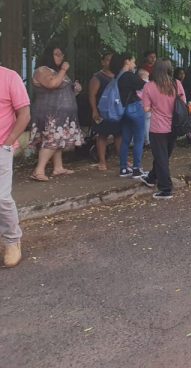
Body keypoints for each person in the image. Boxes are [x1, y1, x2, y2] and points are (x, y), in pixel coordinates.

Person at [28, 46, 84, 181]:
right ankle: (38, 170)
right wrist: (64, 69)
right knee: (51, 141)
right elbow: (52, 84)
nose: (61, 57)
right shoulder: (42, 70)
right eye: (57, 54)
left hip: (62, 114)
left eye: (62, 54)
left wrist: (75, 88)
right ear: (48, 55)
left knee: (57, 141)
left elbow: (62, 89)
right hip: (50, 114)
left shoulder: (57, 71)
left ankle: (58, 167)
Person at [138, 59, 185, 199]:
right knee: (163, 156)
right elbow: (182, 102)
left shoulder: (149, 87)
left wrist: (155, 107)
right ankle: (151, 178)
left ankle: (165, 189)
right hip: (175, 126)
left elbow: (146, 108)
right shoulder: (177, 84)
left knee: (161, 157)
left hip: (157, 127)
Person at [1, 65, 31, 268]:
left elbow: (24, 115)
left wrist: (9, 142)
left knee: (1, 197)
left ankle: (12, 240)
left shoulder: (9, 77)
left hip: (1, 146)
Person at [111, 53, 148, 178]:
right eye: (133, 61)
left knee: (125, 140)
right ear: (127, 61)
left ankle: (123, 168)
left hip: (122, 110)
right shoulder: (129, 76)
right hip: (135, 108)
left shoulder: (117, 76)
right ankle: (137, 168)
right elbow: (144, 86)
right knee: (139, 139)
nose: (134, 64)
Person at [88, 51, 123, 172]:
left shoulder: (118, 75)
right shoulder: (98, 77)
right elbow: (92, 95)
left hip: (117, 111)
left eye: (112, 60)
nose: (110, 62)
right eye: (107, 59)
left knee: (119, 135)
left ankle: (122, 159)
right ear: (102, 62)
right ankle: (102, 161)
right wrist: (94, 111)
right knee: (102, 136)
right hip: (102, 112)